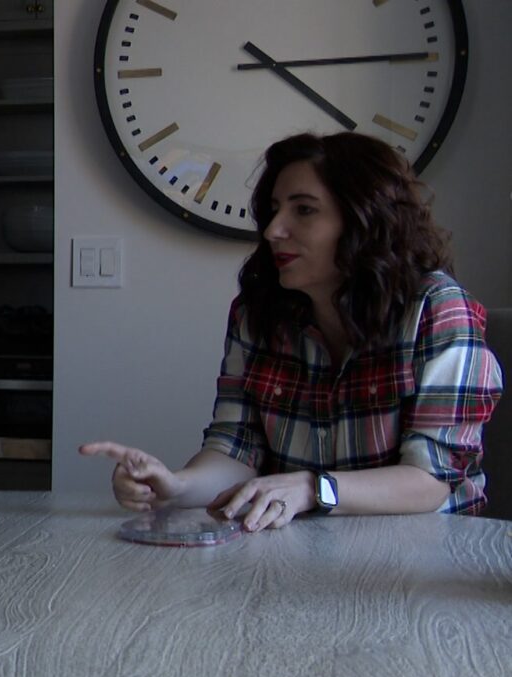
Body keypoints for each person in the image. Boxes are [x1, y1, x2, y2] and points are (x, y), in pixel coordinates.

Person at [81, 132, 502, 530]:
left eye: (304, 210)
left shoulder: (438, 309)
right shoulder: (257, 314)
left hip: (425, 561)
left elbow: (431, 480)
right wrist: (175, 486)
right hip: (296, 550)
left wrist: (312, 487)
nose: (273, 230)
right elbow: (235, 449)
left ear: (364, 218)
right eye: (275, 209)